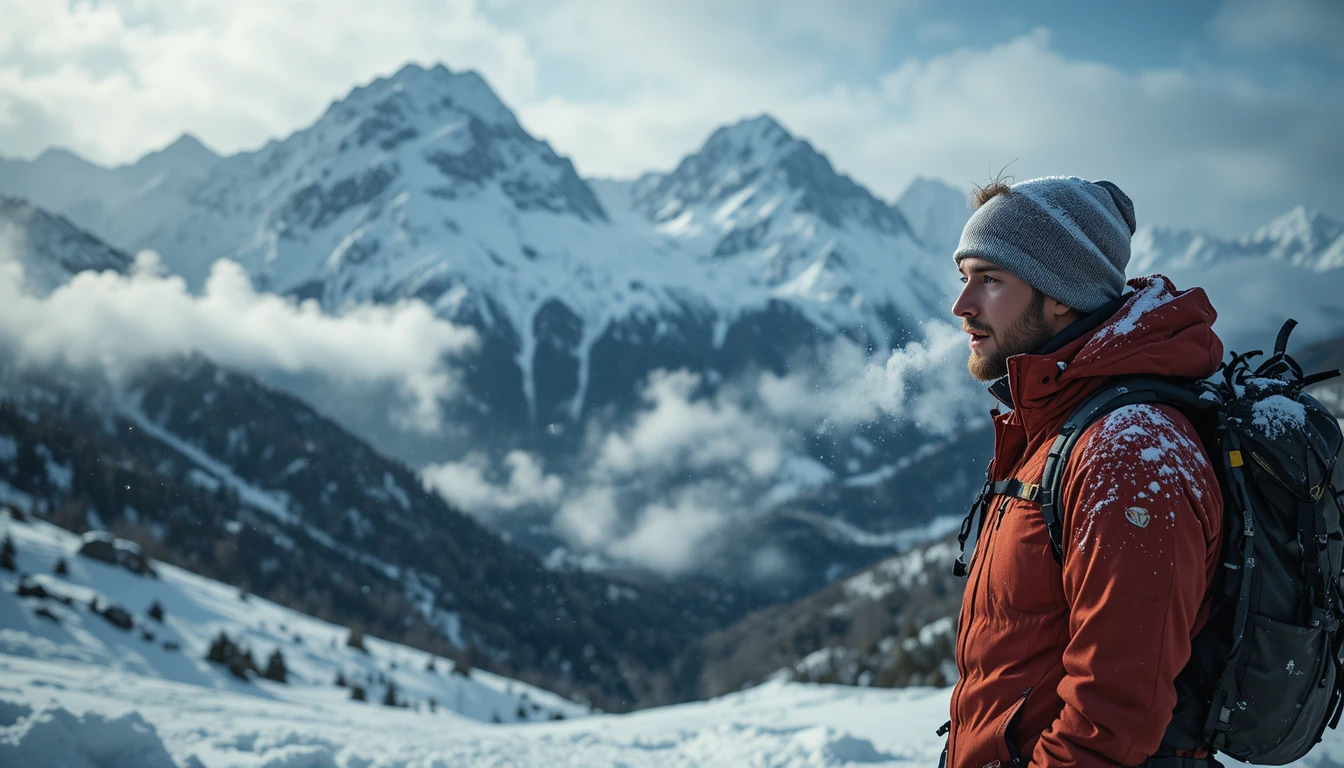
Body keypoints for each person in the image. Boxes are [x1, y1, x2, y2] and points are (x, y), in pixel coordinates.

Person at [943, 176, 1225, 767]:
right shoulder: (1059, 424)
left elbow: (1112, 718)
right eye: (964, 277)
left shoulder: (1127, 454)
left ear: (1061, 295)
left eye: (989, 280)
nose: (961, 305)